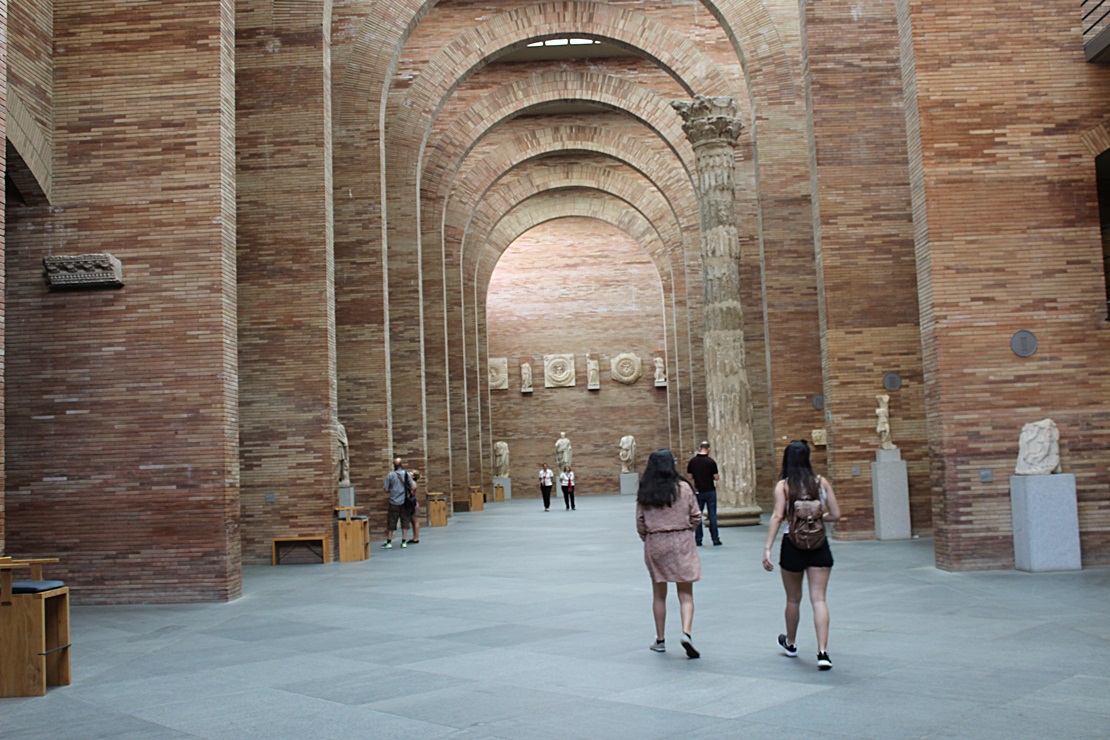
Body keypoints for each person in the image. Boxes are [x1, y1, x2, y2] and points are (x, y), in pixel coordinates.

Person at [762, 439, 842, 670]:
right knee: (819, 599)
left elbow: (777, 517)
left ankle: (791, 642)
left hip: (792, 545)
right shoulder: (821, 483)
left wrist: (767, 547)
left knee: (793, 599)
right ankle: (823, 651)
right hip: (819, 544)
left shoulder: (784, 486)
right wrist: (816, 519)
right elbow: (836, 514)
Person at [636, 449, 702, 658]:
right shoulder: (683, 488)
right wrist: (686, 530)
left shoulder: (645, 490)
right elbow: (696, 516)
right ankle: (686, 633)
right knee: (685, 593)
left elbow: (640, 522)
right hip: (681, 540)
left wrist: (650, 536)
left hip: (656, 542)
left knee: (659, 594)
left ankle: (660, 639)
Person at [687, 441, 721, 546]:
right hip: (710, 491)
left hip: (698, 491)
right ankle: (715, 539)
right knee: (712, 515)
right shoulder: (711, 462)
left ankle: (698, 539)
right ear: (709, 449)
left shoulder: (692, 461)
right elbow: (716, 477)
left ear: (699, 448)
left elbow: (690, 477)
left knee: (698, 516)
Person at [382, 457, 416, 549]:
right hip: (404, 502)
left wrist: (393, 490)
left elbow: (386, 489)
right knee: (405, 521)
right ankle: (404, 541)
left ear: (394, 466)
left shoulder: (390, 475)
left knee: (391, 522)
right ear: (401, 465)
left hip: (393, 502)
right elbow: (413, 487)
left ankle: (389, 542)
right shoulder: (406, 474)